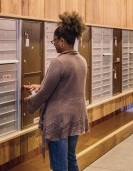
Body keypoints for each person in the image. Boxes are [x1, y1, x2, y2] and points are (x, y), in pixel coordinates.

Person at [23, 11, 89, 171]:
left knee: (59, 166)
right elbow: (66, 87)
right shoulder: (81, 60)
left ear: (62, 41)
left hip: (59, 121)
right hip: (76, 117)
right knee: (71, 158)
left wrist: (29, 102)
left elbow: (45, 93)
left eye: (54, 40)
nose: (53, 43)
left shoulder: (58, 62)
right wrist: (40, 87)